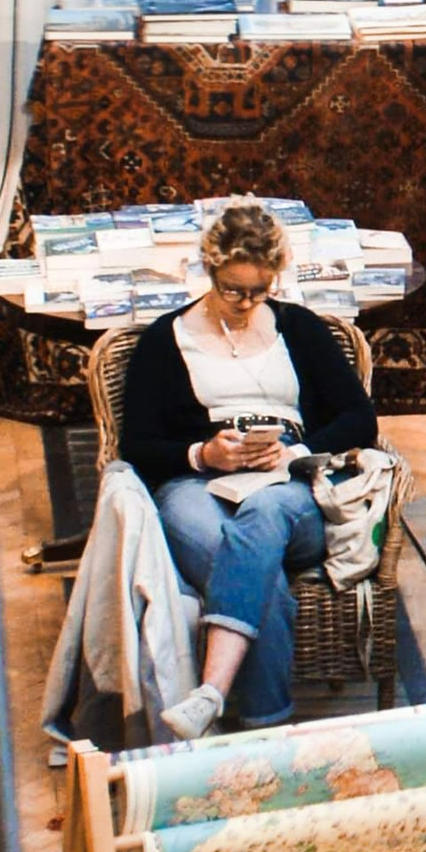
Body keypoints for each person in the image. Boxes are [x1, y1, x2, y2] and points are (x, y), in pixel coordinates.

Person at [119, 201, 381, 741]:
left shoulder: (301, 329)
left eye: (259, 291)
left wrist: (296, 450)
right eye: (232, 290)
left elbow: (361, 418)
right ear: (209, 272)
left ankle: (211, 692)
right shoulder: (165, 340)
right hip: (198, 483)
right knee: (258, 576)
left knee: (262, 513)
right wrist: (202, 454)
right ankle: (267, 729)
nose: (245, 303)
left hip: (288, 483)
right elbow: (137, 444)